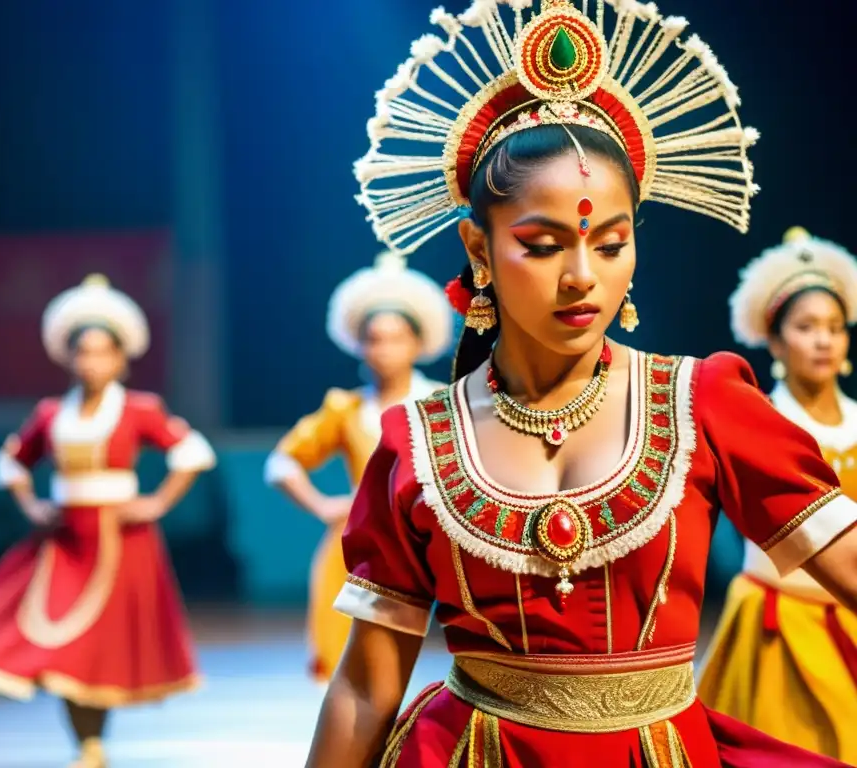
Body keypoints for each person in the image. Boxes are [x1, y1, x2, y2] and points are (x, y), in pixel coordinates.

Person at [305, 1, 857, 766]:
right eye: (541, 244)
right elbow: (366, 690)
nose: (582, 278)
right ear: (479, 247)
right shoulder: (420, 444)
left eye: (611, 242)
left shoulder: (704, 404)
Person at [0, 275, 216, 768]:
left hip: (122, 543)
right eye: (83, 352)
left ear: (121, 358)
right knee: (64, 646)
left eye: (102, 353)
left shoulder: (139, 409)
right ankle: (86, 744)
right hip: (64, 543)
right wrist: (32, 505)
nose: (91, 362)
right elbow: (12, 461)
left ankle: (93, 745)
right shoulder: (53, 413)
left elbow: (191, 452)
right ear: (68, 357)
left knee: (98, 646)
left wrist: (157, 502)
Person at [698, 228, 857, 761]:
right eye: (806, 327)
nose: (823, 340)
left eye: (834, 328)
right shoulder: (762, 419)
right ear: (775, 340)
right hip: (778, 622)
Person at [265, 251, 451, 682]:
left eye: (395, 337)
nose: (383, 349)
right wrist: (320, 505)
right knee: (349, 663)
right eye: (374, 338)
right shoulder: (345, 409)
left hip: (425, 545)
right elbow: (281, 462)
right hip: (356, 546)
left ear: (416, 343)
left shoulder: (438, 402)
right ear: (360, 344)